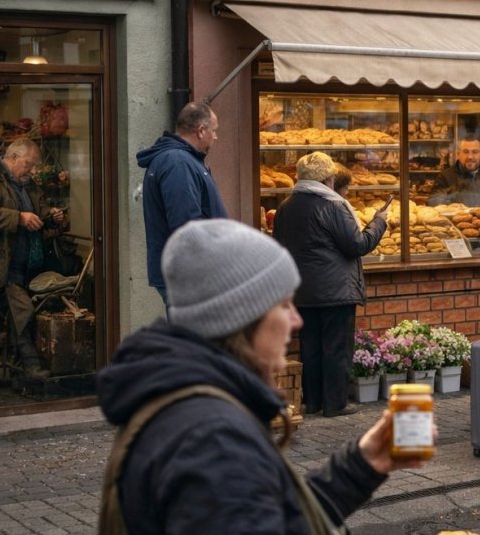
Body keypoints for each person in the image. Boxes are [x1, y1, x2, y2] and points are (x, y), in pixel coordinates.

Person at [96, 219, 426, 533]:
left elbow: (272, 516)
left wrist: (364, 464)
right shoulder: (213, 440)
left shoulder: (188, 407)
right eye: (283, 305)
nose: (296, 320)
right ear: (243, 317)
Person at [273, 153, 388, 417]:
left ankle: (312, 402)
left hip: (302, 289)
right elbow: (358, 245)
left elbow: (279, 246)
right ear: (329, 178)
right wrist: (379, 222)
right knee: (337, 348)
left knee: (310, 347)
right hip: (335, 289)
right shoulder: (334, 206)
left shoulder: (285, 206)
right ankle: (335, 404)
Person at [0, 138, 64, 386]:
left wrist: (52, 216)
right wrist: (19, 218)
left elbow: (39, 212)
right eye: (31, 164)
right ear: (13, 158)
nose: (34, 170)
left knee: (22, 315)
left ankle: (27, 371)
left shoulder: (28, 185)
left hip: (16, 269)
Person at [136, 102, 227, 304]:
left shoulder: (181, 160)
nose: (216, 136)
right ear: (201, 130)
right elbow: (186, 225)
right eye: (214, 131)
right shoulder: (178, 163)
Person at [428, 137, 480, 207]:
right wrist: (452, 197)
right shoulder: (445, 176)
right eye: (466, 152)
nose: (470, 157)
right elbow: (434, 201)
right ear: (458, 154)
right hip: (454, 223)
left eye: (475, 152)